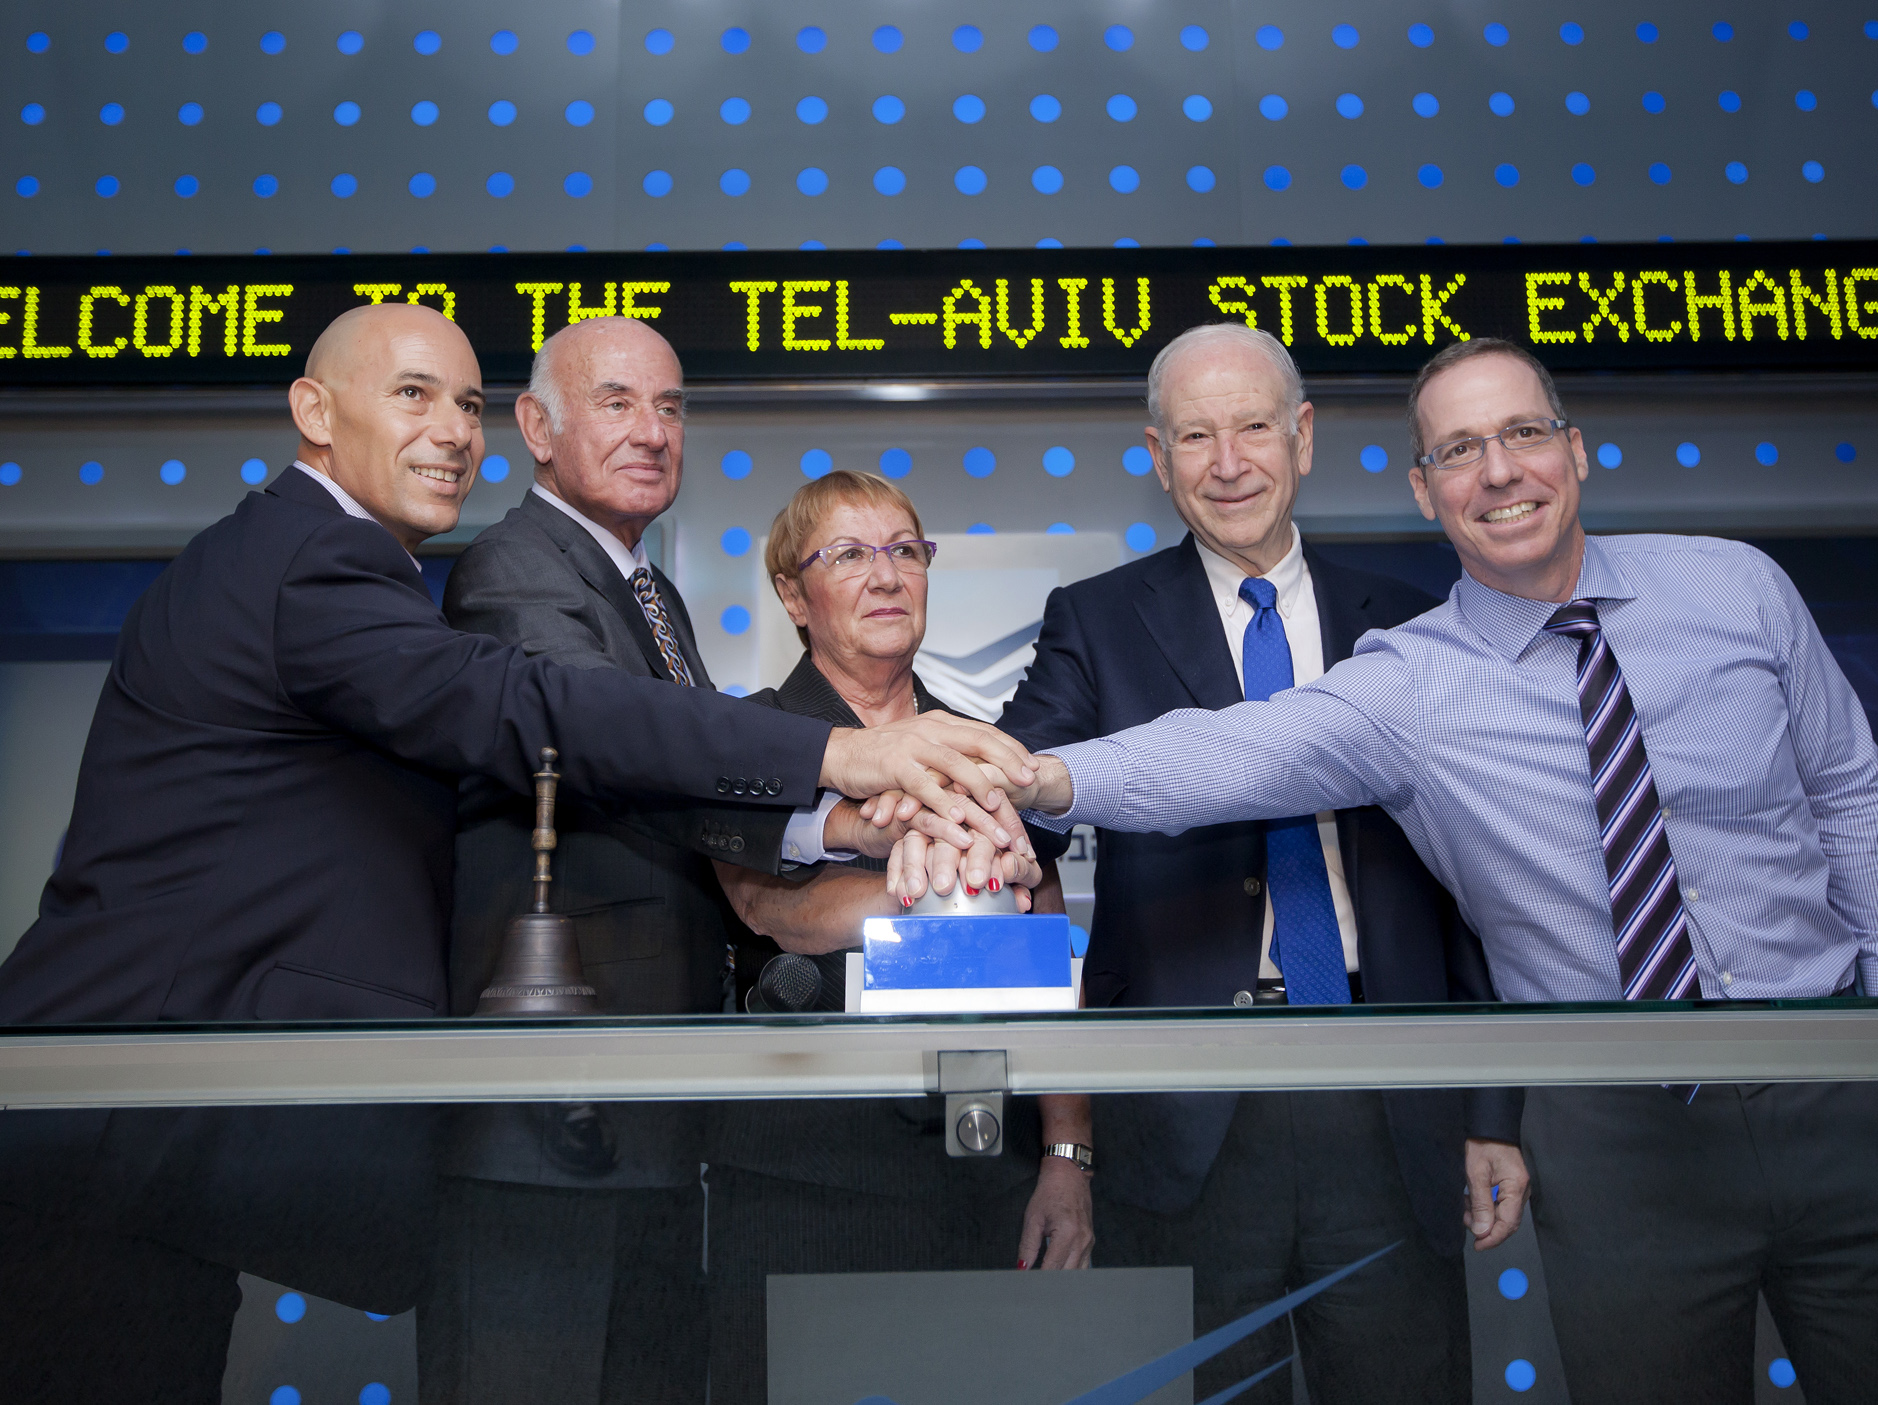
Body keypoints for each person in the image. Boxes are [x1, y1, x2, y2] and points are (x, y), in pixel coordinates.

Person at [923, 337, 1878, 1404]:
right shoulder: (1411, 675)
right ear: (1423, 487)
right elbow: (1225, 753)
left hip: (1816, 1091)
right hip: (1585, 1126)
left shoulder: (1729, 587)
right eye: (1458, 450)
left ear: (1575, 449)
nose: (1498, 471)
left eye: (1522, 433)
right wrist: (1026, 776)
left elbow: (1848, 793)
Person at [0, 303, 1036, 1401]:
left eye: (465, 403)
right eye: (412, 394)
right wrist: (838, 755)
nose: (453, 430)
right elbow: (544, 713)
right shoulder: (321, 560)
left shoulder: (358, 565)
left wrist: (833, 824)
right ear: (313, 410)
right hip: (123, 1115)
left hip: (163, 1137)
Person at [992, 322, 1519, 1404]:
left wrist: (1488, 1109)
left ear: (1303, 437)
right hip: (1185, 1120)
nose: (1227, 463)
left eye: (1252, 429)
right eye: (1195, 436)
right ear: (1157, 456)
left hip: (1390, 1104)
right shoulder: (1095, 621)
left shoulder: (1415, 623)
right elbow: (1017, 814)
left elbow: (1476, 888)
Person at [428, 317, 920, 1404]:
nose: (652, 431)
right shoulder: (514, 571)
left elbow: (681, 801)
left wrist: (834, 830)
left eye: (670, 406)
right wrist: (840, 798)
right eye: (616, 403)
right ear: (535, 428)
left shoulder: (648, 592)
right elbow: (627, 744)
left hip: (649, 1120)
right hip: (546, 1125)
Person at [703, 470, 1093, 1405]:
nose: (886, 576)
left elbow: (1046, 944)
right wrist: (952, 878)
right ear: (792, 595)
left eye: (905, 551)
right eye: (849, 554)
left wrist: (1066, 1153)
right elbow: (773, 908)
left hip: (982, 1158)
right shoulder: (746, 738)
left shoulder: (985, 746)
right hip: (804, 1175)